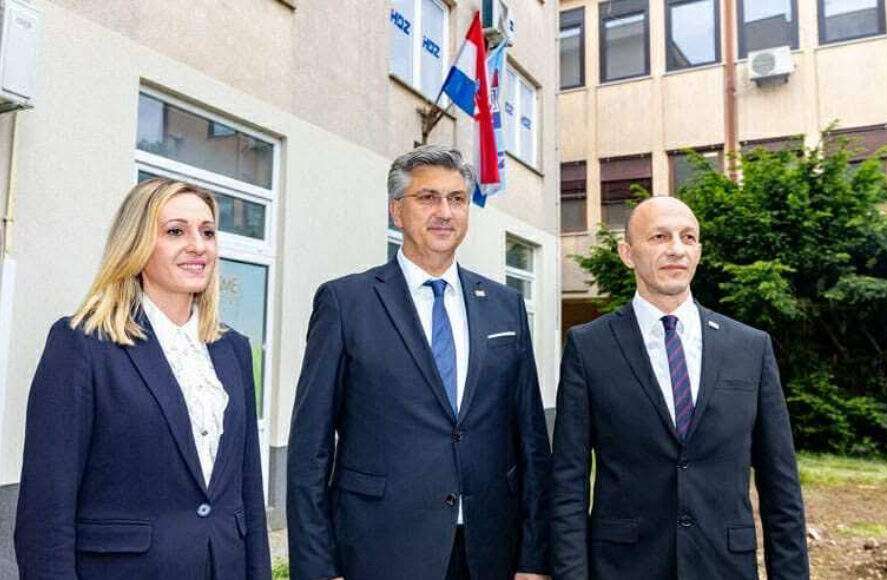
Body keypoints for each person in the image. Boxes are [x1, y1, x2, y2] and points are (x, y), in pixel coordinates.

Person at [287, 145, 551, 580]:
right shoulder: (346, 303)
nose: (445, 212)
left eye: (457, 199)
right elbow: (309, 448)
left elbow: (531, 441)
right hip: (381, 549)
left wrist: (534, 558)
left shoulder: (505, 306)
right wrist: (317, 567)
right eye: (428, 198)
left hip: (490, 550)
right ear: (396, 211)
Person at [14, 178, 271, 579]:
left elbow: (249, 494)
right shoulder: (82, 343)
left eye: (207, 232)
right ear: (135, 244)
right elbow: (46, 513)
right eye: (175, 231)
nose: (198, 246)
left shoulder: (233, 349)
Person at [550, 196, 809, 579]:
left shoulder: (750, 347)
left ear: (698, 252)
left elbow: (781, 484)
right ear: (627, 253)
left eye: (688, 237)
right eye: (659, 237)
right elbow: (568, 482)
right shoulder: (589, 347)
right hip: (624, 567)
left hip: (724, 567)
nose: (676, 249)